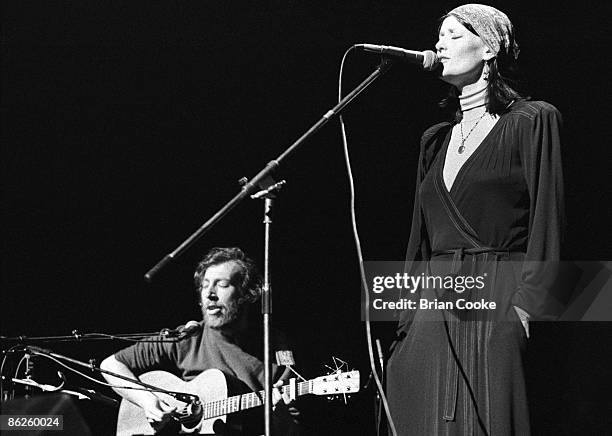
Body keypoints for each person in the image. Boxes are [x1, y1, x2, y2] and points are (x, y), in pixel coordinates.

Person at [386, 4, 564, 435]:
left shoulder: (532, 119)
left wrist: (528, 308)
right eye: (438, 35)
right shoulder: (434, 140)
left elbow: (548, 218)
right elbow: (420, 240)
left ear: (489, 47)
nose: (438, 44)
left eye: (452, 34)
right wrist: (406, 319)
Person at [101, 247, 301, 435]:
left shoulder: (277, 349)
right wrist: (147, 401)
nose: (209, 294)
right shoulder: (188, 337)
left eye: (221, 285)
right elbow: (110, 365)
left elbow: (294, 430)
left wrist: (280, 416)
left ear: (247, 293)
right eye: (205, 286)